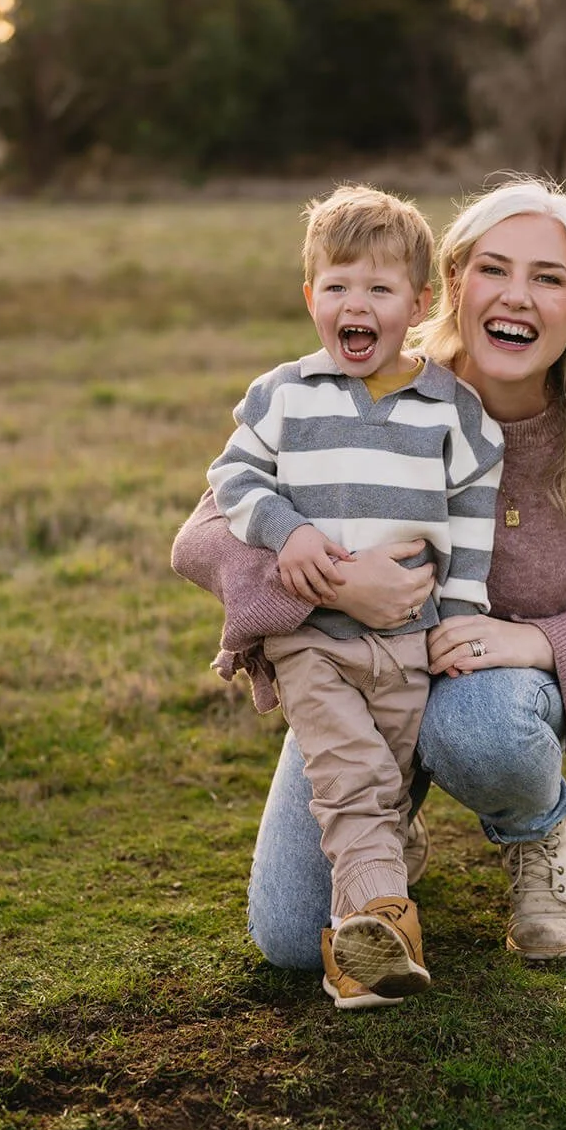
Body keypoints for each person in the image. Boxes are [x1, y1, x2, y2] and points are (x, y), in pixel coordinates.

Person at [173, 176, 566, 994]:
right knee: (295, 939)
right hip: (355, 664)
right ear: (453, 282)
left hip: (496, 694)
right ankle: (388, 841)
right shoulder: (367, 386)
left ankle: (534, 832)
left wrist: (532, 640)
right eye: (495, 269)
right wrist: (336, 585)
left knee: (477, 725)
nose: (518, 296)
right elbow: (201, 535)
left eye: (548, 278)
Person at [203, 185, 504, 1009]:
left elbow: (473, 517)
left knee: (389, 778)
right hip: (314, 643)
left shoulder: (456, 414)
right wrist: (287, 533)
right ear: (311, 299)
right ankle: (368, 946)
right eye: (336, 287)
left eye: (378, 288)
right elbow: (230, 477)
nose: (356, 304)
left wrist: (464, 616)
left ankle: (389, 872)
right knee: (350, 777)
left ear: (419, 301)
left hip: (409, 638)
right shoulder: (283, 396)